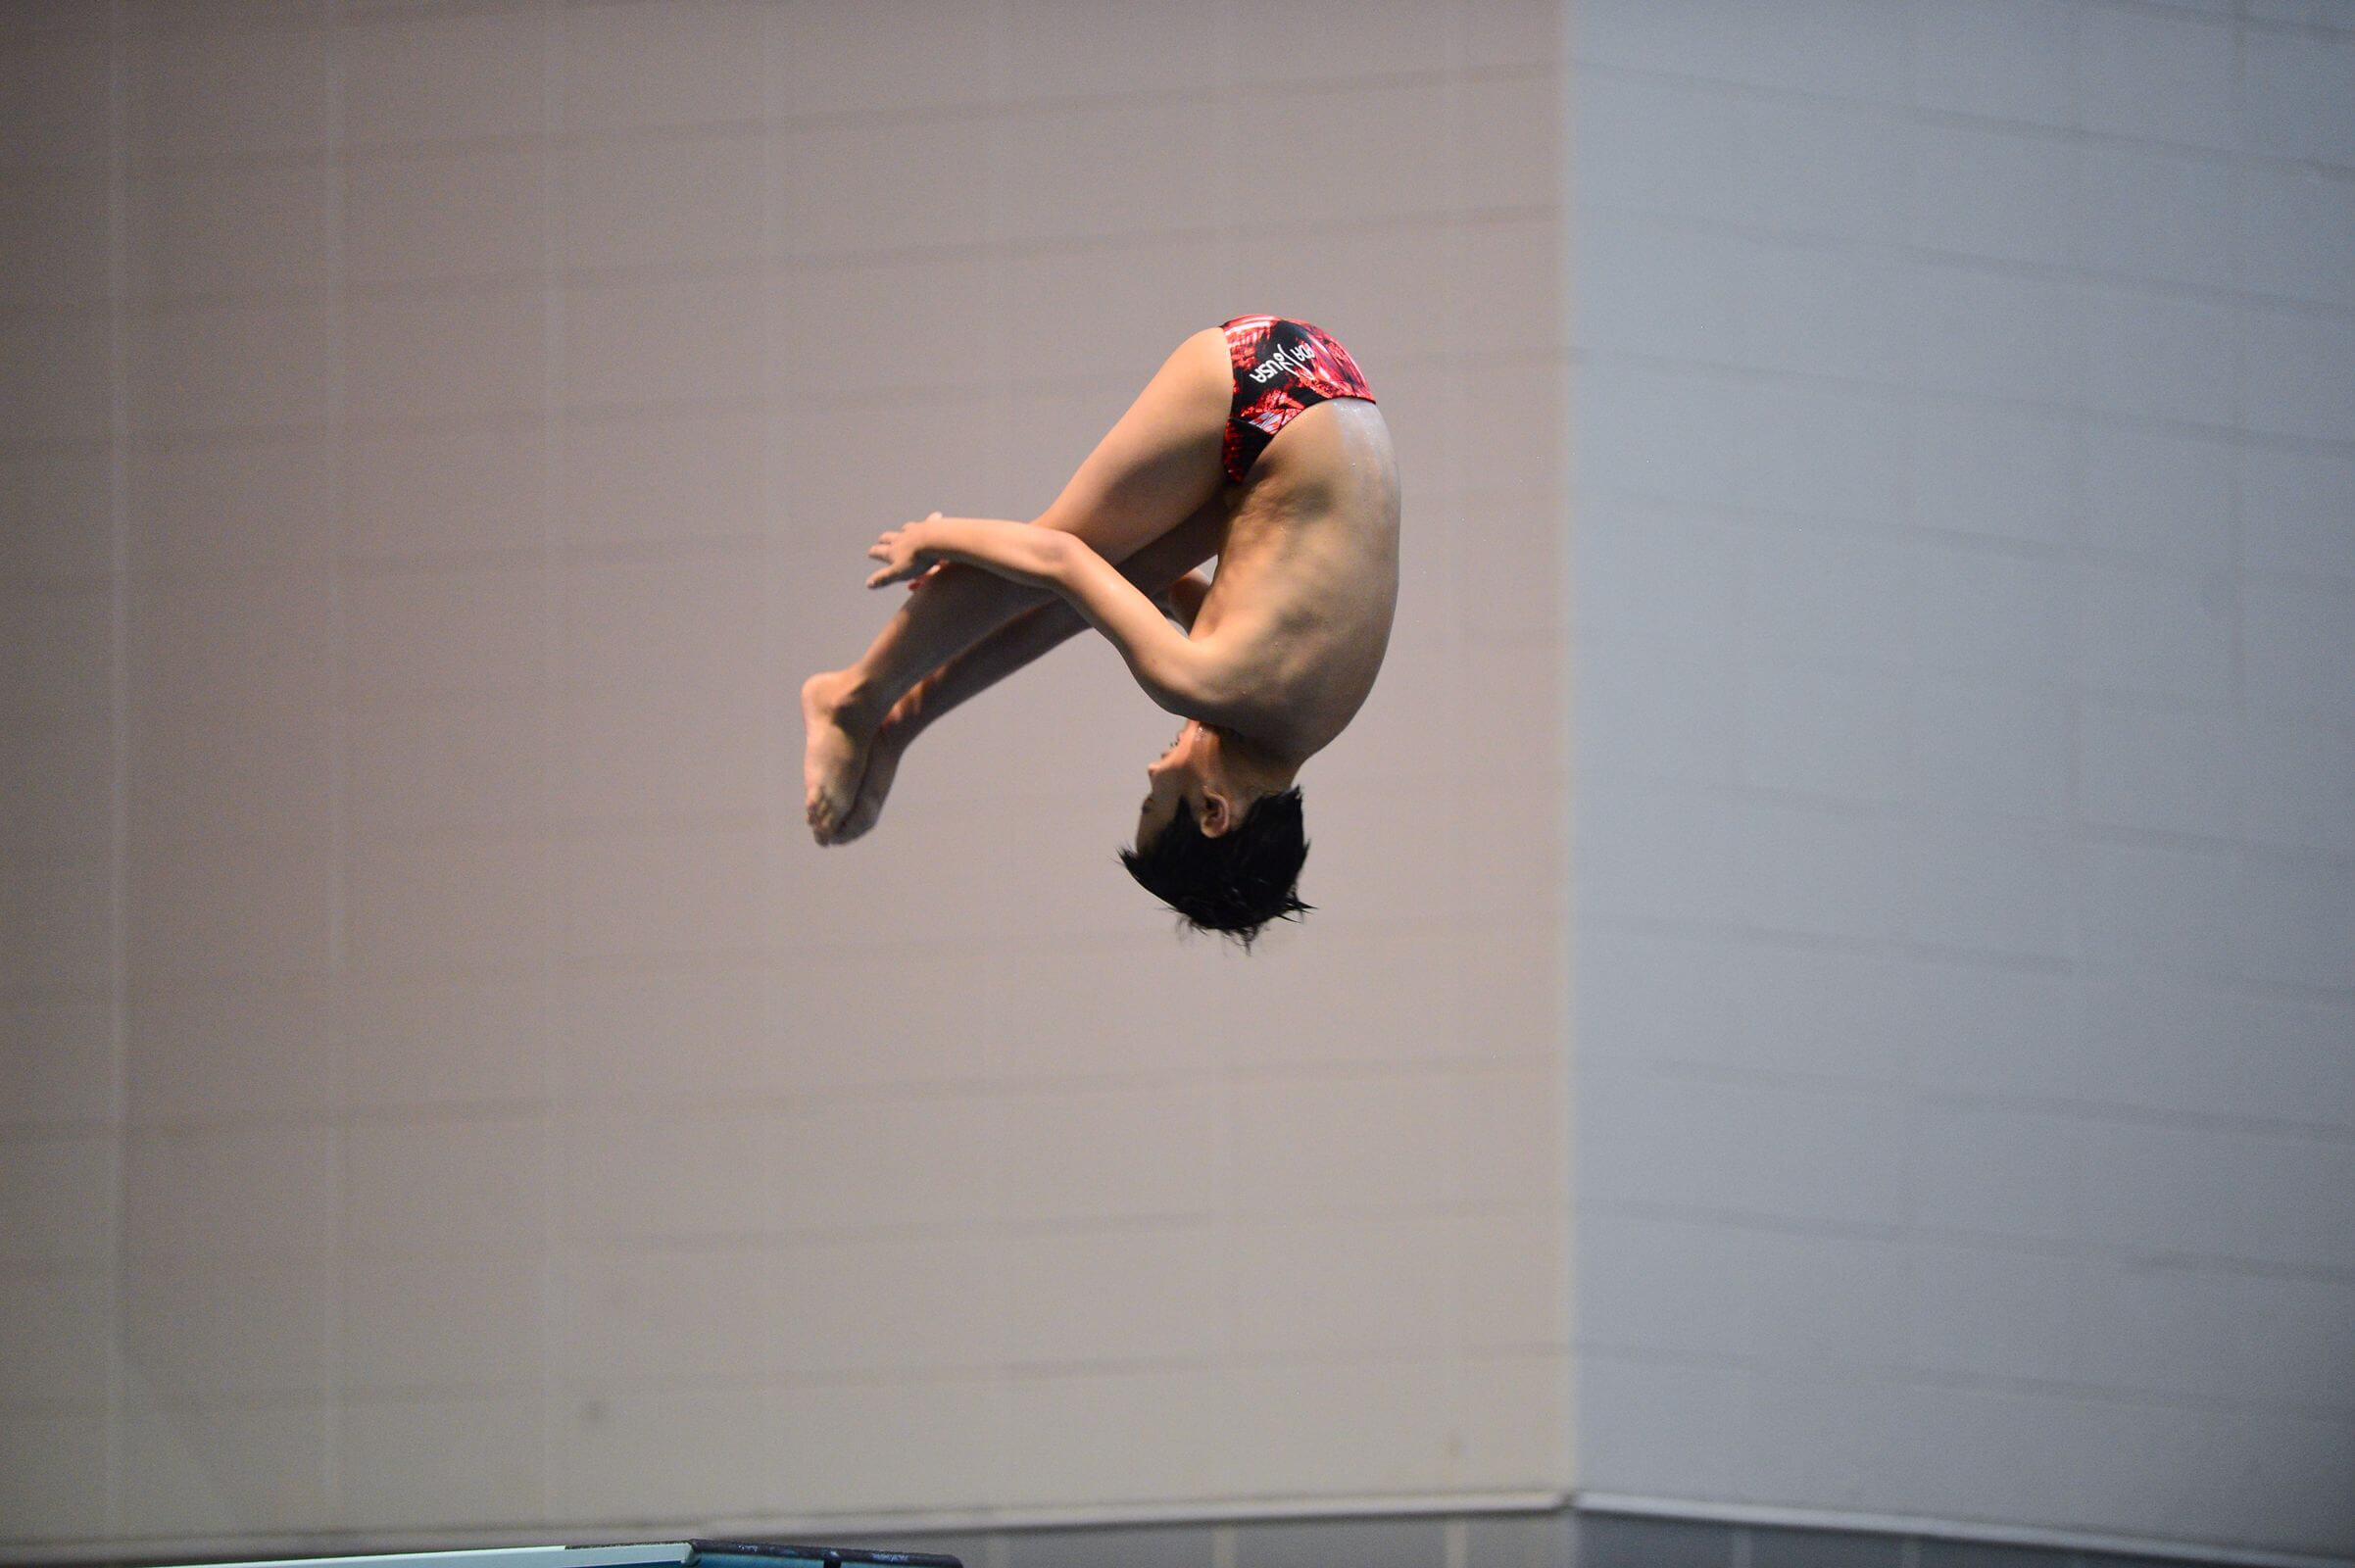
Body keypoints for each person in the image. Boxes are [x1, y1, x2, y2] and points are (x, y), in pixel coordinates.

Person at [800, 315, 1400, 949]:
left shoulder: (1311, 716)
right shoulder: (1208, 684)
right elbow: (1059, 556)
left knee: (1099, 591)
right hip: (1259, 389)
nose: (1150, 770)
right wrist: (936, 540)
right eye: (1153, 803)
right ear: (1214, 812)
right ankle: (853, 697)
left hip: (1329, 390)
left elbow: (1141, 589)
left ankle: (893, 728)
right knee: (1074, 553)